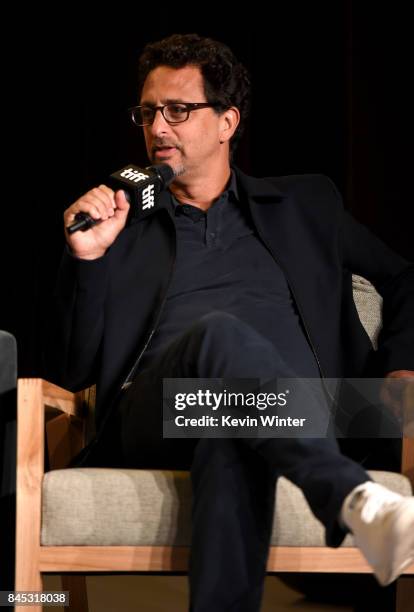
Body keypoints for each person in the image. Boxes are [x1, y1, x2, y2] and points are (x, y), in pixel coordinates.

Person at [44, 33, 414, 611]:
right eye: (148, 113)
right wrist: (89, 262)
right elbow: (75, 367)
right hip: (157, 412)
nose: (157, 128)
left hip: (284, 412)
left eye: (178, 110)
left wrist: (400, 366)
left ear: (227, 122)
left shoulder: (306, 207)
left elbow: (404, 277)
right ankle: (351, 495)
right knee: (220, 334)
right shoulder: (123, 225)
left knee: (230, 422)